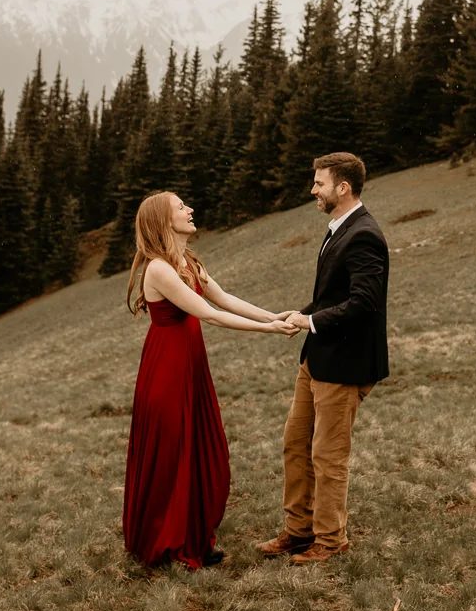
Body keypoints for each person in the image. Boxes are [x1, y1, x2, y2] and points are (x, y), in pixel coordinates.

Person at [122, 191, 298, 569]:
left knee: (201, 448)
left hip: (191, 368)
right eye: (181, 207)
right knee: (172, 455)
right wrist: (268, 330)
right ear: (162, 221)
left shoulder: (186, 260)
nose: (190, 210)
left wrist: (275, 315)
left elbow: (225, 299)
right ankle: (165, 544)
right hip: (167, 372)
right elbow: (209, 314)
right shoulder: (159, 269)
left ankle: (195, 537)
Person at [258, 152, 390, 565]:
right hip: (316, 359)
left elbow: (363, 304)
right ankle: (298, 531)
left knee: (328, 456)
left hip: (344, 364)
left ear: (343, 187)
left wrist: (310, 321)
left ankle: (331, 540)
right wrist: (298, 314)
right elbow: (333, 297)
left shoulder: (364, 234)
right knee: (295, 445)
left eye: (319, 183)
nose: (313, 189)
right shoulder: (339, 229)